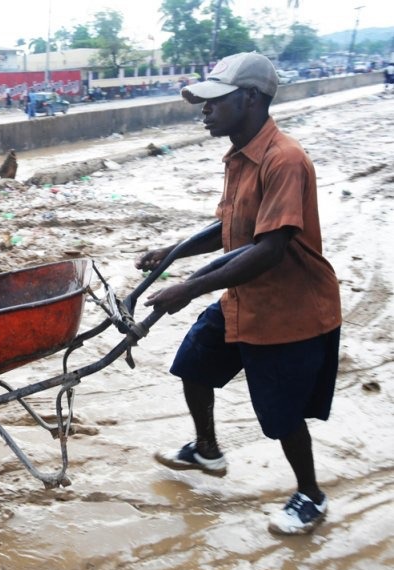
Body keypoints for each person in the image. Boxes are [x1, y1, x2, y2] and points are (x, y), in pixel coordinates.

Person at [135, 52, 342, 536]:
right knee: (193, 364)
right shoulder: (239, 156)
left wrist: (190, 288)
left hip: (287, 309)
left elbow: (270, 248)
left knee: (281, 414)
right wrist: (171, 252)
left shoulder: (284, 159)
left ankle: (310, 496)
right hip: (242, 296)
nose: (205, 111)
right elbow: (228, 228)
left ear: (249, 99)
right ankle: (206, 449)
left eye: (215, 101)